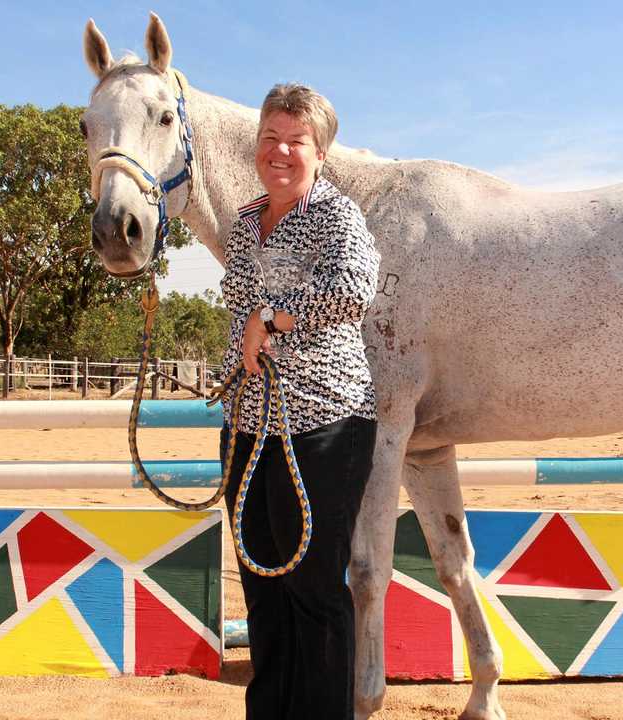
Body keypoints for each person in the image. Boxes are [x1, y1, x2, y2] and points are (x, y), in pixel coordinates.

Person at [218, 83, 381, 720]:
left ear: (320, 152)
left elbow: (353, 288)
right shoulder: (242, 223)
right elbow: (237, 313)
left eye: (296, 141)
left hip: (323, 426)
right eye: (270, 138)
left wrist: (275, 316)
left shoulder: (337, 215)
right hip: (247, 425)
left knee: (314, 591)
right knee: (263, 589)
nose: (280, 151)